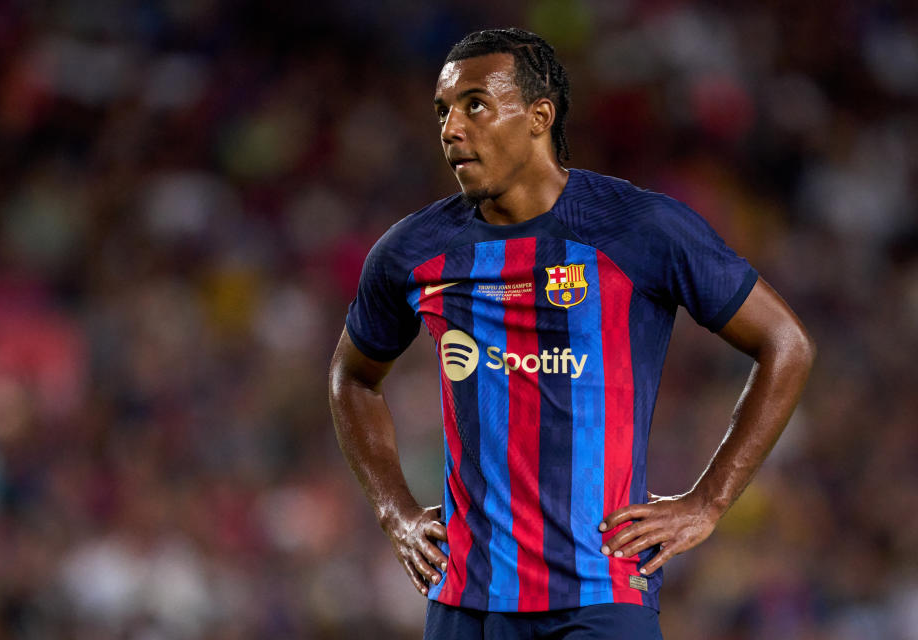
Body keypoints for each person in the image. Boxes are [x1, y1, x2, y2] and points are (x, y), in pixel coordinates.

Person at [328, 28, 815, 639]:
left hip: (601, 597)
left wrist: (708, 501)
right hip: (464, 604)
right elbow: (353, 376)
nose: (452, 129)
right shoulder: (414, 252)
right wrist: (393, 510)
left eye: (475, 104)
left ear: (539, 116)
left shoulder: (638, 228)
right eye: (443, 111)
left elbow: (785, 344)